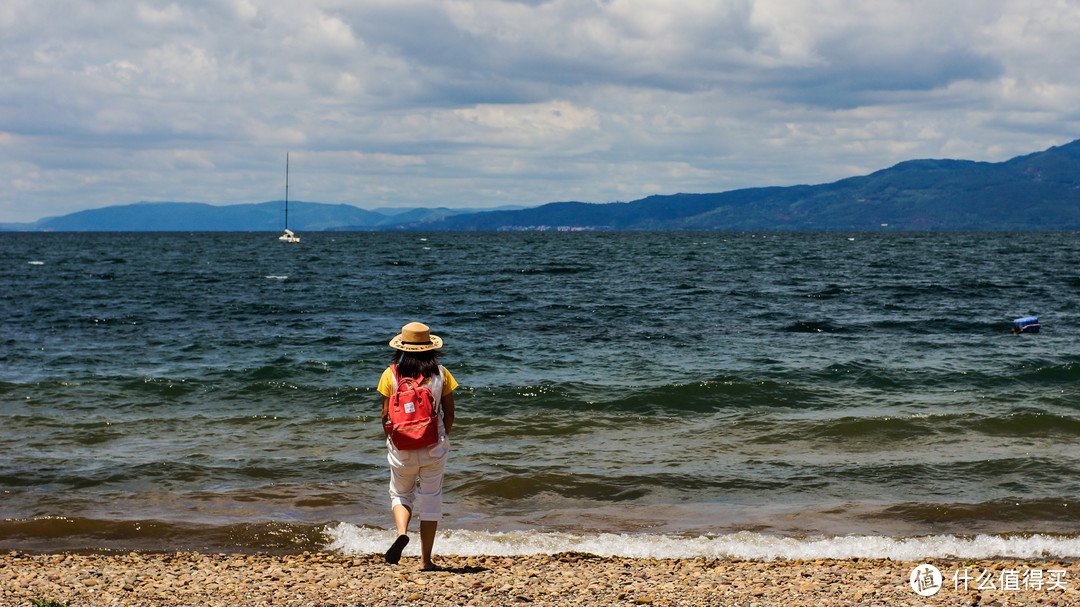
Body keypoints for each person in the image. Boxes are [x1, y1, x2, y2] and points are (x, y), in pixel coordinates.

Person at [377, 322, 457, 570]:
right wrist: (440, 437)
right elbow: (450, 413)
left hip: (402, 446)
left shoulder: (391, 374)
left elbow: (384, 416)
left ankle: (402, 532)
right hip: (434, 446)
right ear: (430, 348)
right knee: (431, 499)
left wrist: (392, 439)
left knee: (400, 493)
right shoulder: (442, 374)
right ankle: (426, 561)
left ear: (402, 348)